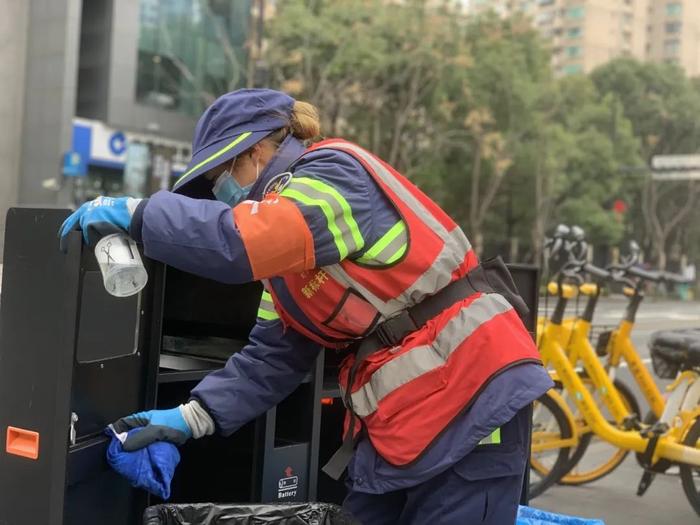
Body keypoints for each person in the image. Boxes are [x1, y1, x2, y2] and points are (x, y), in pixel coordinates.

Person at [59, 89, 553, 524]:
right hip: (406, 423)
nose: (220, 194)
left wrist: (138, 212)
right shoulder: (289, 274)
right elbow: (271, 358)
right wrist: (187, 419)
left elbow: (237, 242)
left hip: (473, 394)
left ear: (253, 152)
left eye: (218, 178)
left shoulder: (334, 174)